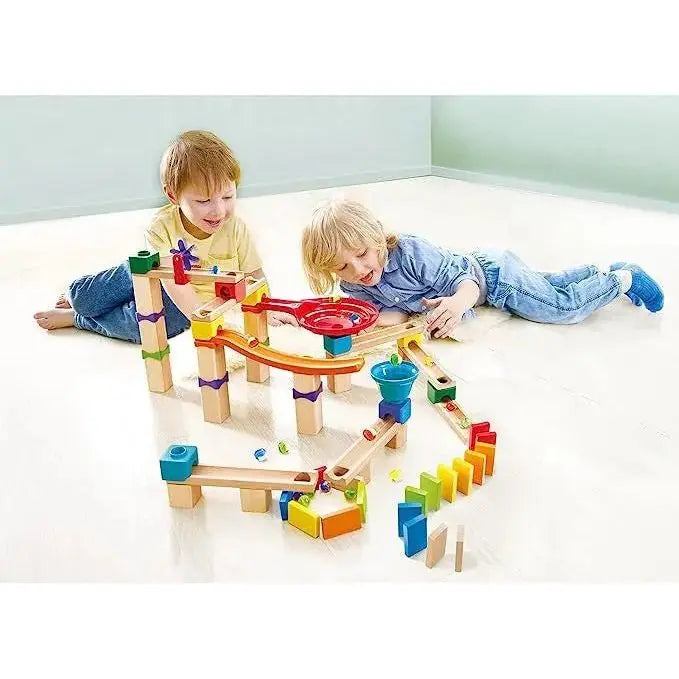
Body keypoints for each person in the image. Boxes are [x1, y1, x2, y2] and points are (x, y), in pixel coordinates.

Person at [34, 130, 294, 340]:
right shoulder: (161, 228)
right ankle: (76, 297)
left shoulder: (235, 228)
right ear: (173, 196)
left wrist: (265, 308)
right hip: (156, 280)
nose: (218, 210)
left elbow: (254, 275)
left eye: (227, 196)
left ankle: (77, 320)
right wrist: (204, 324)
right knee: (85, 300)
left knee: (147, 328)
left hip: (185, 305)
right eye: (203, 201)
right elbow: (176, 285)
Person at [301, 199, 664, 339]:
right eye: (342, 267)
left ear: (377, 237)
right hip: (487, 274)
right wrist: (359, 322)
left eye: (362, 253)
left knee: (560, 308)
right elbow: (392, 315)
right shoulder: (355, 286)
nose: (359, 269)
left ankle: (623, 279)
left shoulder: (410, 253)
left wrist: (458, 304)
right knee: (548, 284)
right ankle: (596, 273)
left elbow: (467, 282)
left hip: (491, 277)